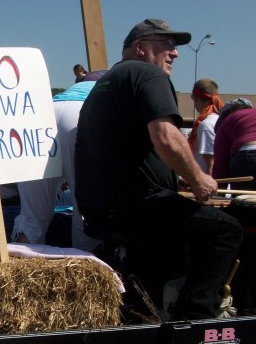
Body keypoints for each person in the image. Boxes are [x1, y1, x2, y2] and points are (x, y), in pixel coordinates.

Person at [74, 18, 243, 320]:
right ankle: (196, 318)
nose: (174, 52)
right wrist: (199, 179)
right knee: (226, 229)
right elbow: (166, 137)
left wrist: (176, 179)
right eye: (166, 44)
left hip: (103, 208)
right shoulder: (147, 73)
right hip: (139, 207)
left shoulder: (105, 83)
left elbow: (128, 150)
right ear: (140, 48)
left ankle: (153, 309)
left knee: (174, 238)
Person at [12, 70, 106, 251]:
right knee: (86, 209)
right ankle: (84, 270)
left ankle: (22, 270)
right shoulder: (111, 85)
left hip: (39, 117)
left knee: (31, 217)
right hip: (81, 113)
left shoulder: (70, 89)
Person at [213, 98, 256, 191]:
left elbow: (220, 165)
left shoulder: (227, 120)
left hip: (247, 159)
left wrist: (218, 194)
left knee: (242, 202)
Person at [188, 78, 223, 175]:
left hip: (208, 183)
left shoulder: (206, 125)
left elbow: (211, 164)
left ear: (195, 98)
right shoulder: (218, 120)